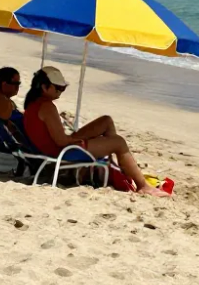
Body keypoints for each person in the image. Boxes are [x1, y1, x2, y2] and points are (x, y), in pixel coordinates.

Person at [23, 66, 168, 197]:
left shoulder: (33, 105)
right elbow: (60, 141)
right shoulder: (47, 107)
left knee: (106, 121)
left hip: (59, 147)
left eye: (63, 88)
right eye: (58, 88)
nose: (60, 92)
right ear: (44, 87)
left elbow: (54, 137)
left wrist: (75, 138)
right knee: (119, 142)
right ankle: (142, 185)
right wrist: (76, 140)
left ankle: (117, 168)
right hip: (63, 151)